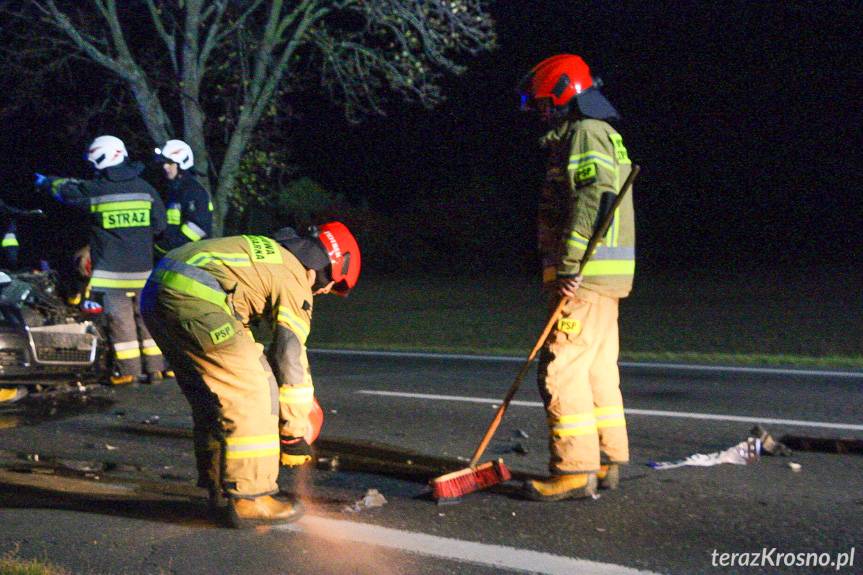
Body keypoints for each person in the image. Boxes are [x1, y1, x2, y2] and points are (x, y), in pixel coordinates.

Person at [140, 222, 361, 528]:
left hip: (158, 293)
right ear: (325, 267)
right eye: (331, 286)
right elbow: (290, 355)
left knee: (212, 397)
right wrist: (294, 432)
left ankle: (219, 487)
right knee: (253, 390)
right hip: (196, 299)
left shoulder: (270, 254)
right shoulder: (295, 276)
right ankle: (251, 498)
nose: (323, 292)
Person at [518, 54, 636, 501]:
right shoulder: (598, 132)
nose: (540, 113)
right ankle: (605, 458)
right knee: (597, 368)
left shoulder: (584, 133)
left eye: (543, 104)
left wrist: (569, 265)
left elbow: (593, 200)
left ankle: (573, 469)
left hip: (584, 276)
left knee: (561, 368)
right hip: (605, 276)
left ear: (563, 94)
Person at [39, 135, 168, 385]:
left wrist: (48, 182)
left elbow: (67, 194)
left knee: (121, 323)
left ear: (102, 158)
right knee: (147, 320)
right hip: (143, 270)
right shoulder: (146, 189)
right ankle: (156, 370)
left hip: (112, 274)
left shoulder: (97, 190)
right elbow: (160, 225)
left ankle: (130, 371)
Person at [152, 139, 213, 258]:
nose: (165, 167)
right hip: (175, 255)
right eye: (164, 163)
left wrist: (166, 247)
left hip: (190, 256)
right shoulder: (173, 189)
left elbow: (198, 228)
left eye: (170, 163)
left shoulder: (193, 191)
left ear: (182, 164)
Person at [0, 199, 44, 269]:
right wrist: (30, 213)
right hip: (7, 234)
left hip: (7, 233)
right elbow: (10, 211)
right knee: (11, 254)